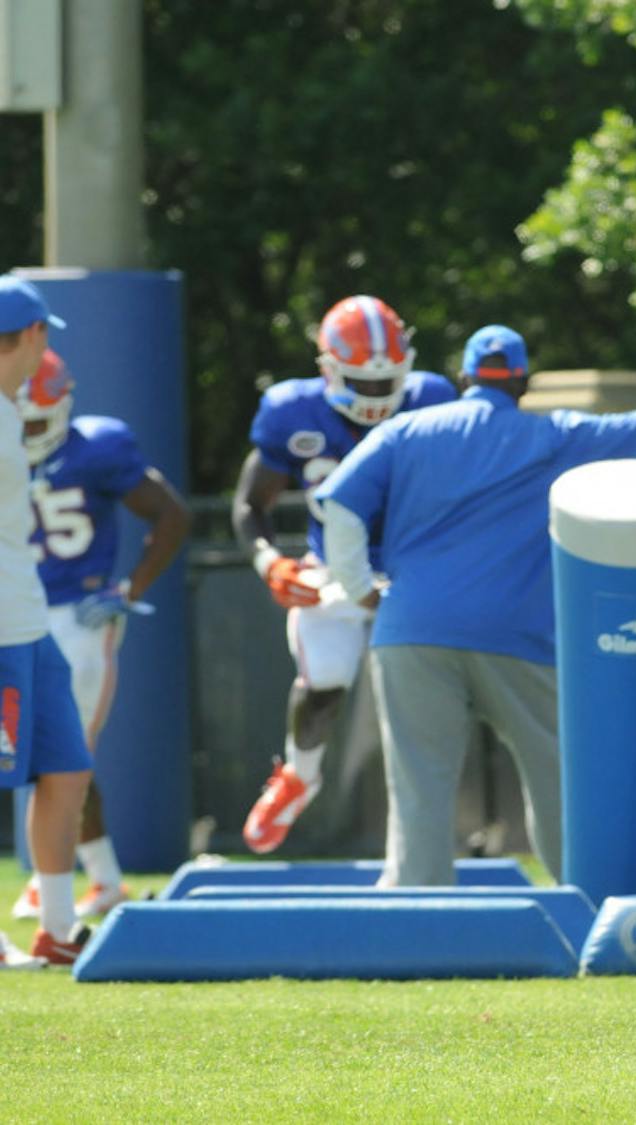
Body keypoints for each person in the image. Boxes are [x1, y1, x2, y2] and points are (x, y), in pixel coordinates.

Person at [315, 324, 636, 887]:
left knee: (420, 787)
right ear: (522, 382)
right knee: (562, 780)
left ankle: (416, 916)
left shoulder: (404, 433)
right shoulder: (557, 435)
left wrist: (362, 592)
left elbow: (341, 507)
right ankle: (589, 895)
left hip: (413, 631)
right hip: (518, 637)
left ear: (464, 377)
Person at [232, 295, 455, 854]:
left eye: (387, 384)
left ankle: (422, 829)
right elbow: (249, 505)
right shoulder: (291, 411)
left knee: (417, 703)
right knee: (325, 680)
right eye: (364, 383)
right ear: (329, 369)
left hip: (410, 571)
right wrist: (270, 561)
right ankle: (300, 776)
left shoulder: (433, 399)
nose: (378, 397)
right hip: (332, 570)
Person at [8, 348, 190, 922]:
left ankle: (57, 883)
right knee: (59, 758)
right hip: (19, 613)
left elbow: (172, 513)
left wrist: (129, 590)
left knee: (59, 758)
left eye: (38, 419)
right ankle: (100, 881)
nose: (29, 431)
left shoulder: (97, 447)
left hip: (79, 616)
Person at [0, 276, 94, 966]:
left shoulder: (9, 408)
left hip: (30, 622)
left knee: (68, 768)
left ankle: (58, 931)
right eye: (45, 333)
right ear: (30, 335)